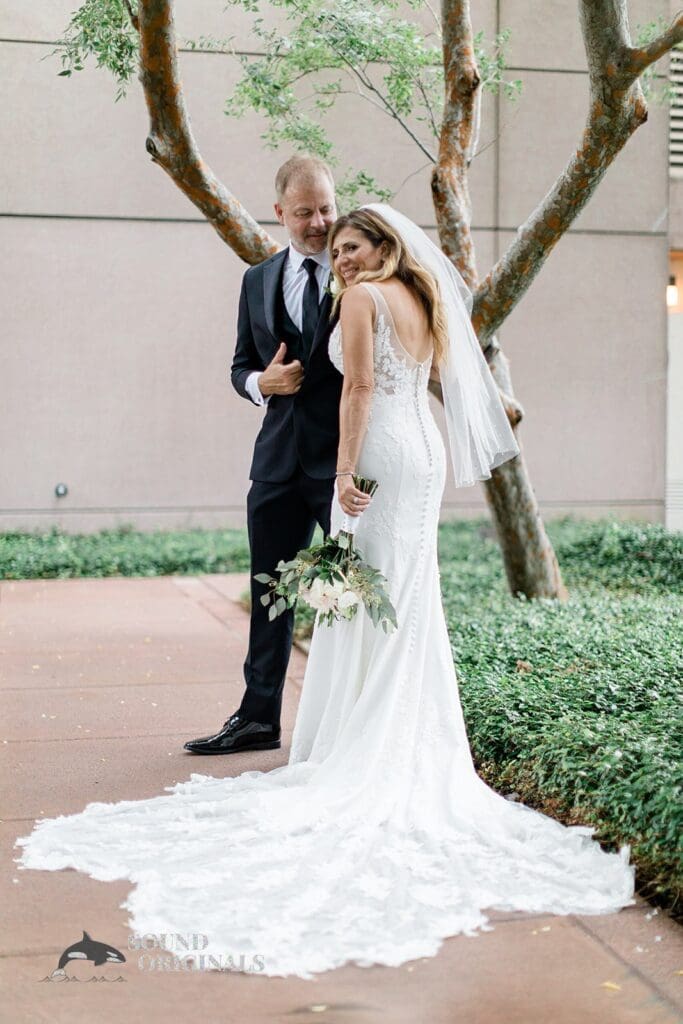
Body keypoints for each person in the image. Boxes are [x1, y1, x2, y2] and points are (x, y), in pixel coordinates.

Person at [14, 205, 635, 979]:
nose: (339, 257)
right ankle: (389, 740)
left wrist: (344, 473)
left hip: (378, 456)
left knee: (374, 603)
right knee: (398, 604)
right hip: (420, 456)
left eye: (351, 244)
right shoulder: (420, 295)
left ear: (381, 246)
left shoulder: (370, 298)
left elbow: (361, 386)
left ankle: (363, 749)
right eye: (334, 247)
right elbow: (431, 376)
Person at [183, 156, 368, 756]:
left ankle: (356, 720)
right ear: (280, 212)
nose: (321, 223)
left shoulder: (359, 275)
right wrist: (263, 384)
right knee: (270, 591)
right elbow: (240, 366)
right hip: (276, 464)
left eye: (328, 208)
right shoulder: (258, 280)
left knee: (352, 592)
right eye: (307, 212)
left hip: (341, 466)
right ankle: (258, 717)